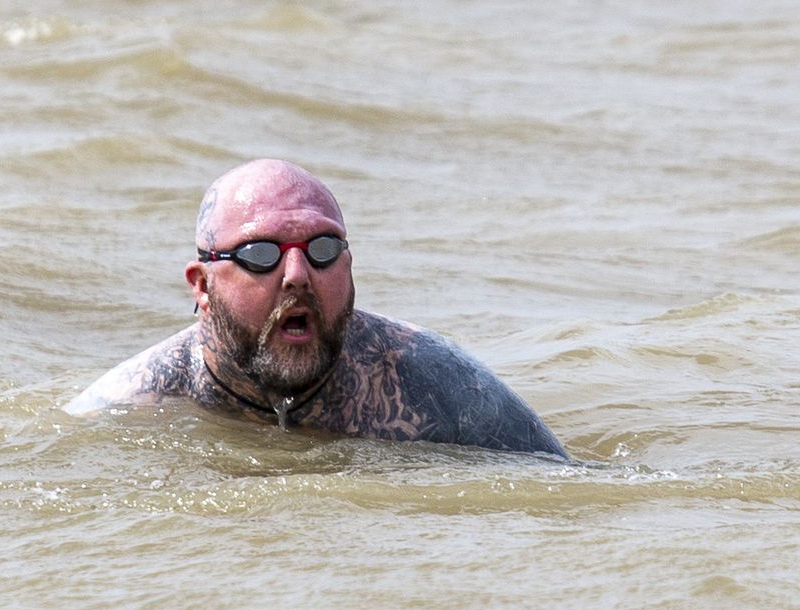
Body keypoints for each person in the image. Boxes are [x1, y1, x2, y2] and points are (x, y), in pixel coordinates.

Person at [68, 159, 566, 458]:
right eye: (261, 254)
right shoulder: (127, 408)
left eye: (322, 249)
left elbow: (566, 498)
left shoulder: (440, 390)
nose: (297, 275)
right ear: (201, 285)